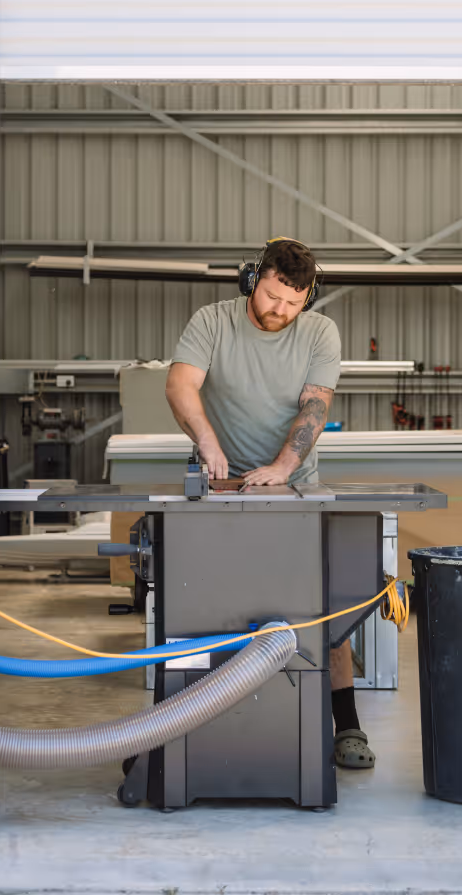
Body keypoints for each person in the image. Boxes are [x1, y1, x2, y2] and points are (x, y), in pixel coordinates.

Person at [165, 236, 375, 770]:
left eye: (292, 302)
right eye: (272, 296)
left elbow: (314, 404)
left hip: (294, 486)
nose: (280, 310)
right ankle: (192, 723)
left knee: (321, 611)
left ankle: (346, 725)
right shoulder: (212, 321)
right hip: (222, 486)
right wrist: (210, 446)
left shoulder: (320, 332)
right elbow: (181, 386)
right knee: (210, 611)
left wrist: (283, 468)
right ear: (251, 279)